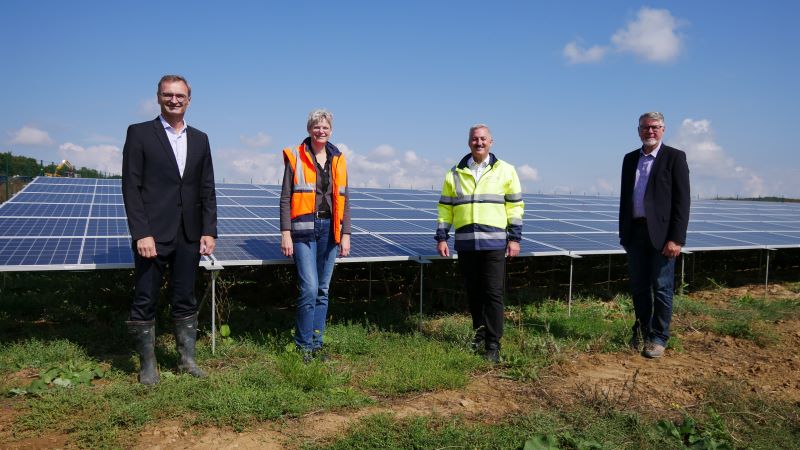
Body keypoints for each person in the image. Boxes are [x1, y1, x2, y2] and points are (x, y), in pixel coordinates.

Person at [122, 74, 217, 384]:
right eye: (168, 95)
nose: (174, 100)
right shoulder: (139, 134)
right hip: (153, 233)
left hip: (189, 233)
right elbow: (131, 187)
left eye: (180, 95)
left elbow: (206, 188)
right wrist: (141, 233)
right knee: (145, 297)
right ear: (158, 97)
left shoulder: (201, 139)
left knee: (186, 296)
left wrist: (209, 230)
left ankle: (187, 360)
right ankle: (148, 366)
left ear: (189, 100)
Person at [436, 124, 524, 363]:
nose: (479, 143)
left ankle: (493, 344)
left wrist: (514, 238)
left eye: (483, 139)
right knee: (474, 293)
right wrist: (442, 236)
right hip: (466, 243)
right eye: (475, 139)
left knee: (493, 293)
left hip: (494, 243)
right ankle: (480, 333)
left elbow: (515, 206)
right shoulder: (454, 172)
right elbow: (446, 208)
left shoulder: (505, 171)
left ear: (491, 142)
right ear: (469, 142)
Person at [280, 109, 351, 362]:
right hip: (303, 232)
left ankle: (317, 344)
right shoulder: (296, 156)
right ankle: (303, 346)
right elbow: (286, 197)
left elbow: (345, 198)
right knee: (309, 288)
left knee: (322, 289)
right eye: (316, 127)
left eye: (325, 127)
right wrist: (285, 233)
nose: (321, 131)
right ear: (309, 129)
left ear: (331, 130)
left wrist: (346, 234)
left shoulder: (338, 158)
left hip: (330, 230)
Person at [619, 111, 690, 359]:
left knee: (661, 288)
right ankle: (641, 331)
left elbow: (683, 202)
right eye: (645, 127)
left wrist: (677, 238)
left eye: (655, 127)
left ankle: (658, 337)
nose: (650, 131)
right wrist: (623, 234)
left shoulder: (674, 158)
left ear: (663, 129)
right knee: (639, 287)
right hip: (635, 232)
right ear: (638, 130)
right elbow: (624, 199)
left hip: (662, 236)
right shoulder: (630, 159)